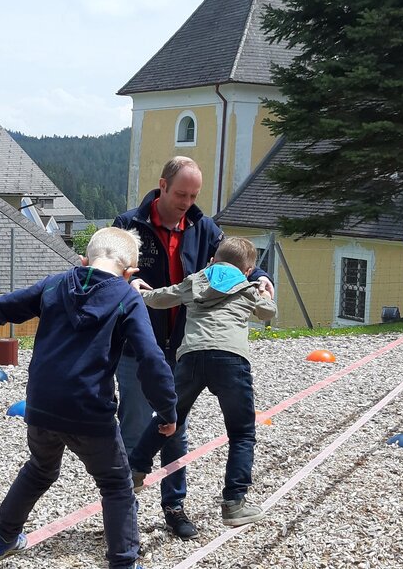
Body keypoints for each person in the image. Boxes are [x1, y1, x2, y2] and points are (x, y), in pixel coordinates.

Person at [0, 227, 177, 569]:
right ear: (129, 272)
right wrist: (167, 410)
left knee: (39, 469)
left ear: (83, 261)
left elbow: (2, 306)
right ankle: (123, 561)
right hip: (90, 413)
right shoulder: (126, 296)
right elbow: (151, 359)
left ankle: (0, 539)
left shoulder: (54, 284)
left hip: (41, 407)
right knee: (116, 484)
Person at [111, 156, 272, 539]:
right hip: (136, 346)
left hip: (183, 347)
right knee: (134, 426)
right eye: (181, 193)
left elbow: (236, 262)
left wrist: (262, 277)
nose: (187, 201)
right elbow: (106, 269)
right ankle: (123, 512)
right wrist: (125, 284)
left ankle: (174, 507)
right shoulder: (127, 225)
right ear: (162, 185)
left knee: (174, 428)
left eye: (194, 194)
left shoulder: (206, 227)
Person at [129, 237, 277, 527]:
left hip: (191, 358)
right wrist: (265, 291)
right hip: (231, 361)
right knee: (242, 433)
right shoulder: (247, 287)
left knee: (169, 418)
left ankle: (135, 471)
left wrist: (140, 293)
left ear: (212, 261)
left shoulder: (195, 281)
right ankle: (234, 503)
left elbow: (161, 299)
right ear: (247, 270)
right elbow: (268, 313)